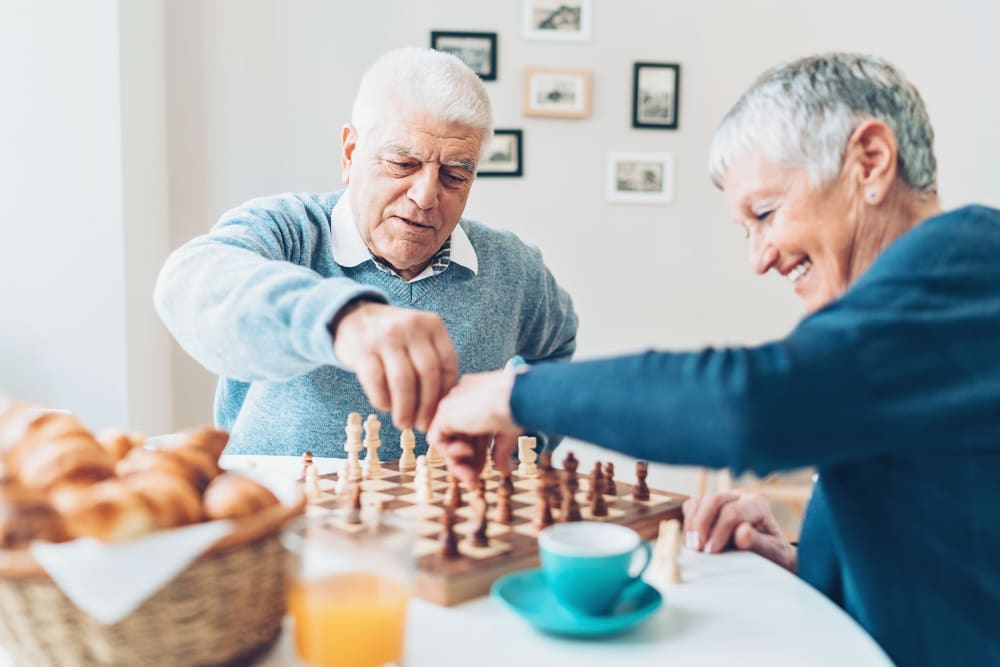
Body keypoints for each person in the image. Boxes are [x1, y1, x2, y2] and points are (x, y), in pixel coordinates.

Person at [428, 53, 1000, 667]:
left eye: (765, 213)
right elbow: (945, 541)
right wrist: (797, 558)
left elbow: (749, 403)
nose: (760, 258)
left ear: (871, 161)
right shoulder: (921, 297)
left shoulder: (964, 272)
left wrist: (510, 395)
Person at [154, 47, 577, 459]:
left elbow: (556, 352)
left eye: (454, 174)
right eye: (402, 163)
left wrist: (525, 426)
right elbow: (189, 283)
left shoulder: (514, 268)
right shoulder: (288, 231)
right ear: (351, 153)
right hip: (291, 518)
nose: (426, 196)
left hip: (445, 523)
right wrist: (343, 318)